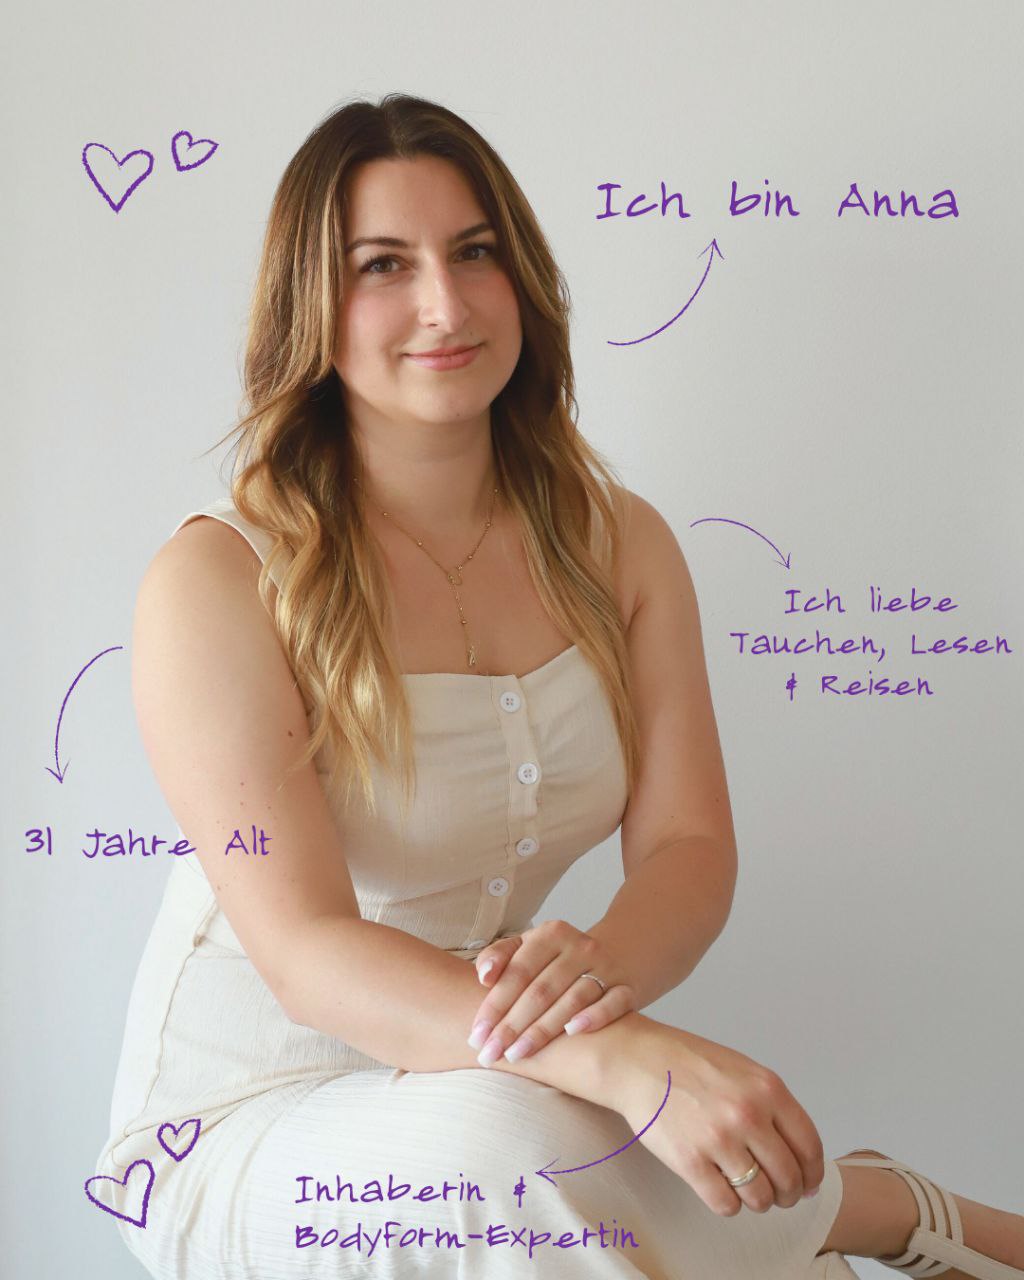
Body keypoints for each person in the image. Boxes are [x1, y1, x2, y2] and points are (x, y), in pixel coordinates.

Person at [91, 93, 1024, 1280]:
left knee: (568, 1136)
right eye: (383, 265)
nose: (445, 303)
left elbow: (687, 843)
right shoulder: (217, 579)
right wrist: (617, 1054)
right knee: (518, 1147)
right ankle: (877, 1210)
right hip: (243, 1121)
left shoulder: (620, 544)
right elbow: (303, 951)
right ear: (308, 307)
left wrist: (598, 980)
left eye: (474, 251)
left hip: (503, 1058)